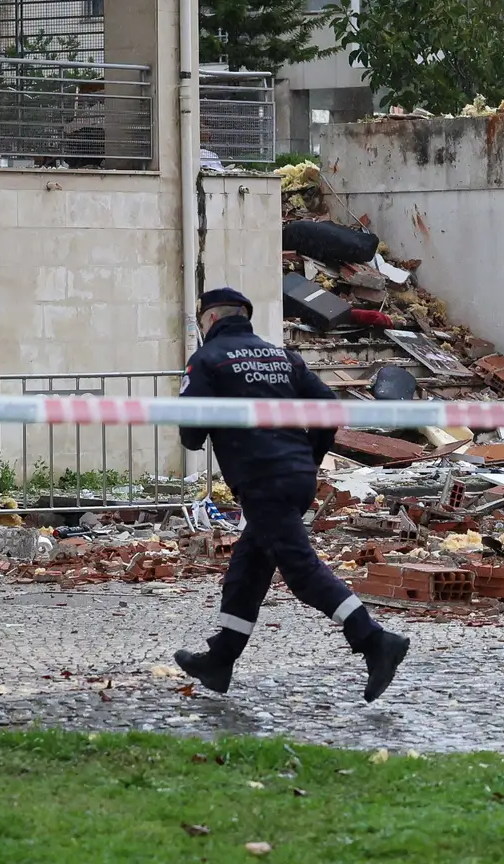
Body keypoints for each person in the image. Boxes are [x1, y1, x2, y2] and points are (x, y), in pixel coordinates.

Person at [173, 287, 411, 702]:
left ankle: (375, 641)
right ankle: (221, 658)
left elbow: (192, 435)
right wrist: (309, 458)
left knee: (300, 570)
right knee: (248, 569)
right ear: (244, 317)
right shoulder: (283, 357)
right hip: (295, 474)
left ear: (209, 320)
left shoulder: (207, 359)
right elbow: (328, 411)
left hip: (261, 480)